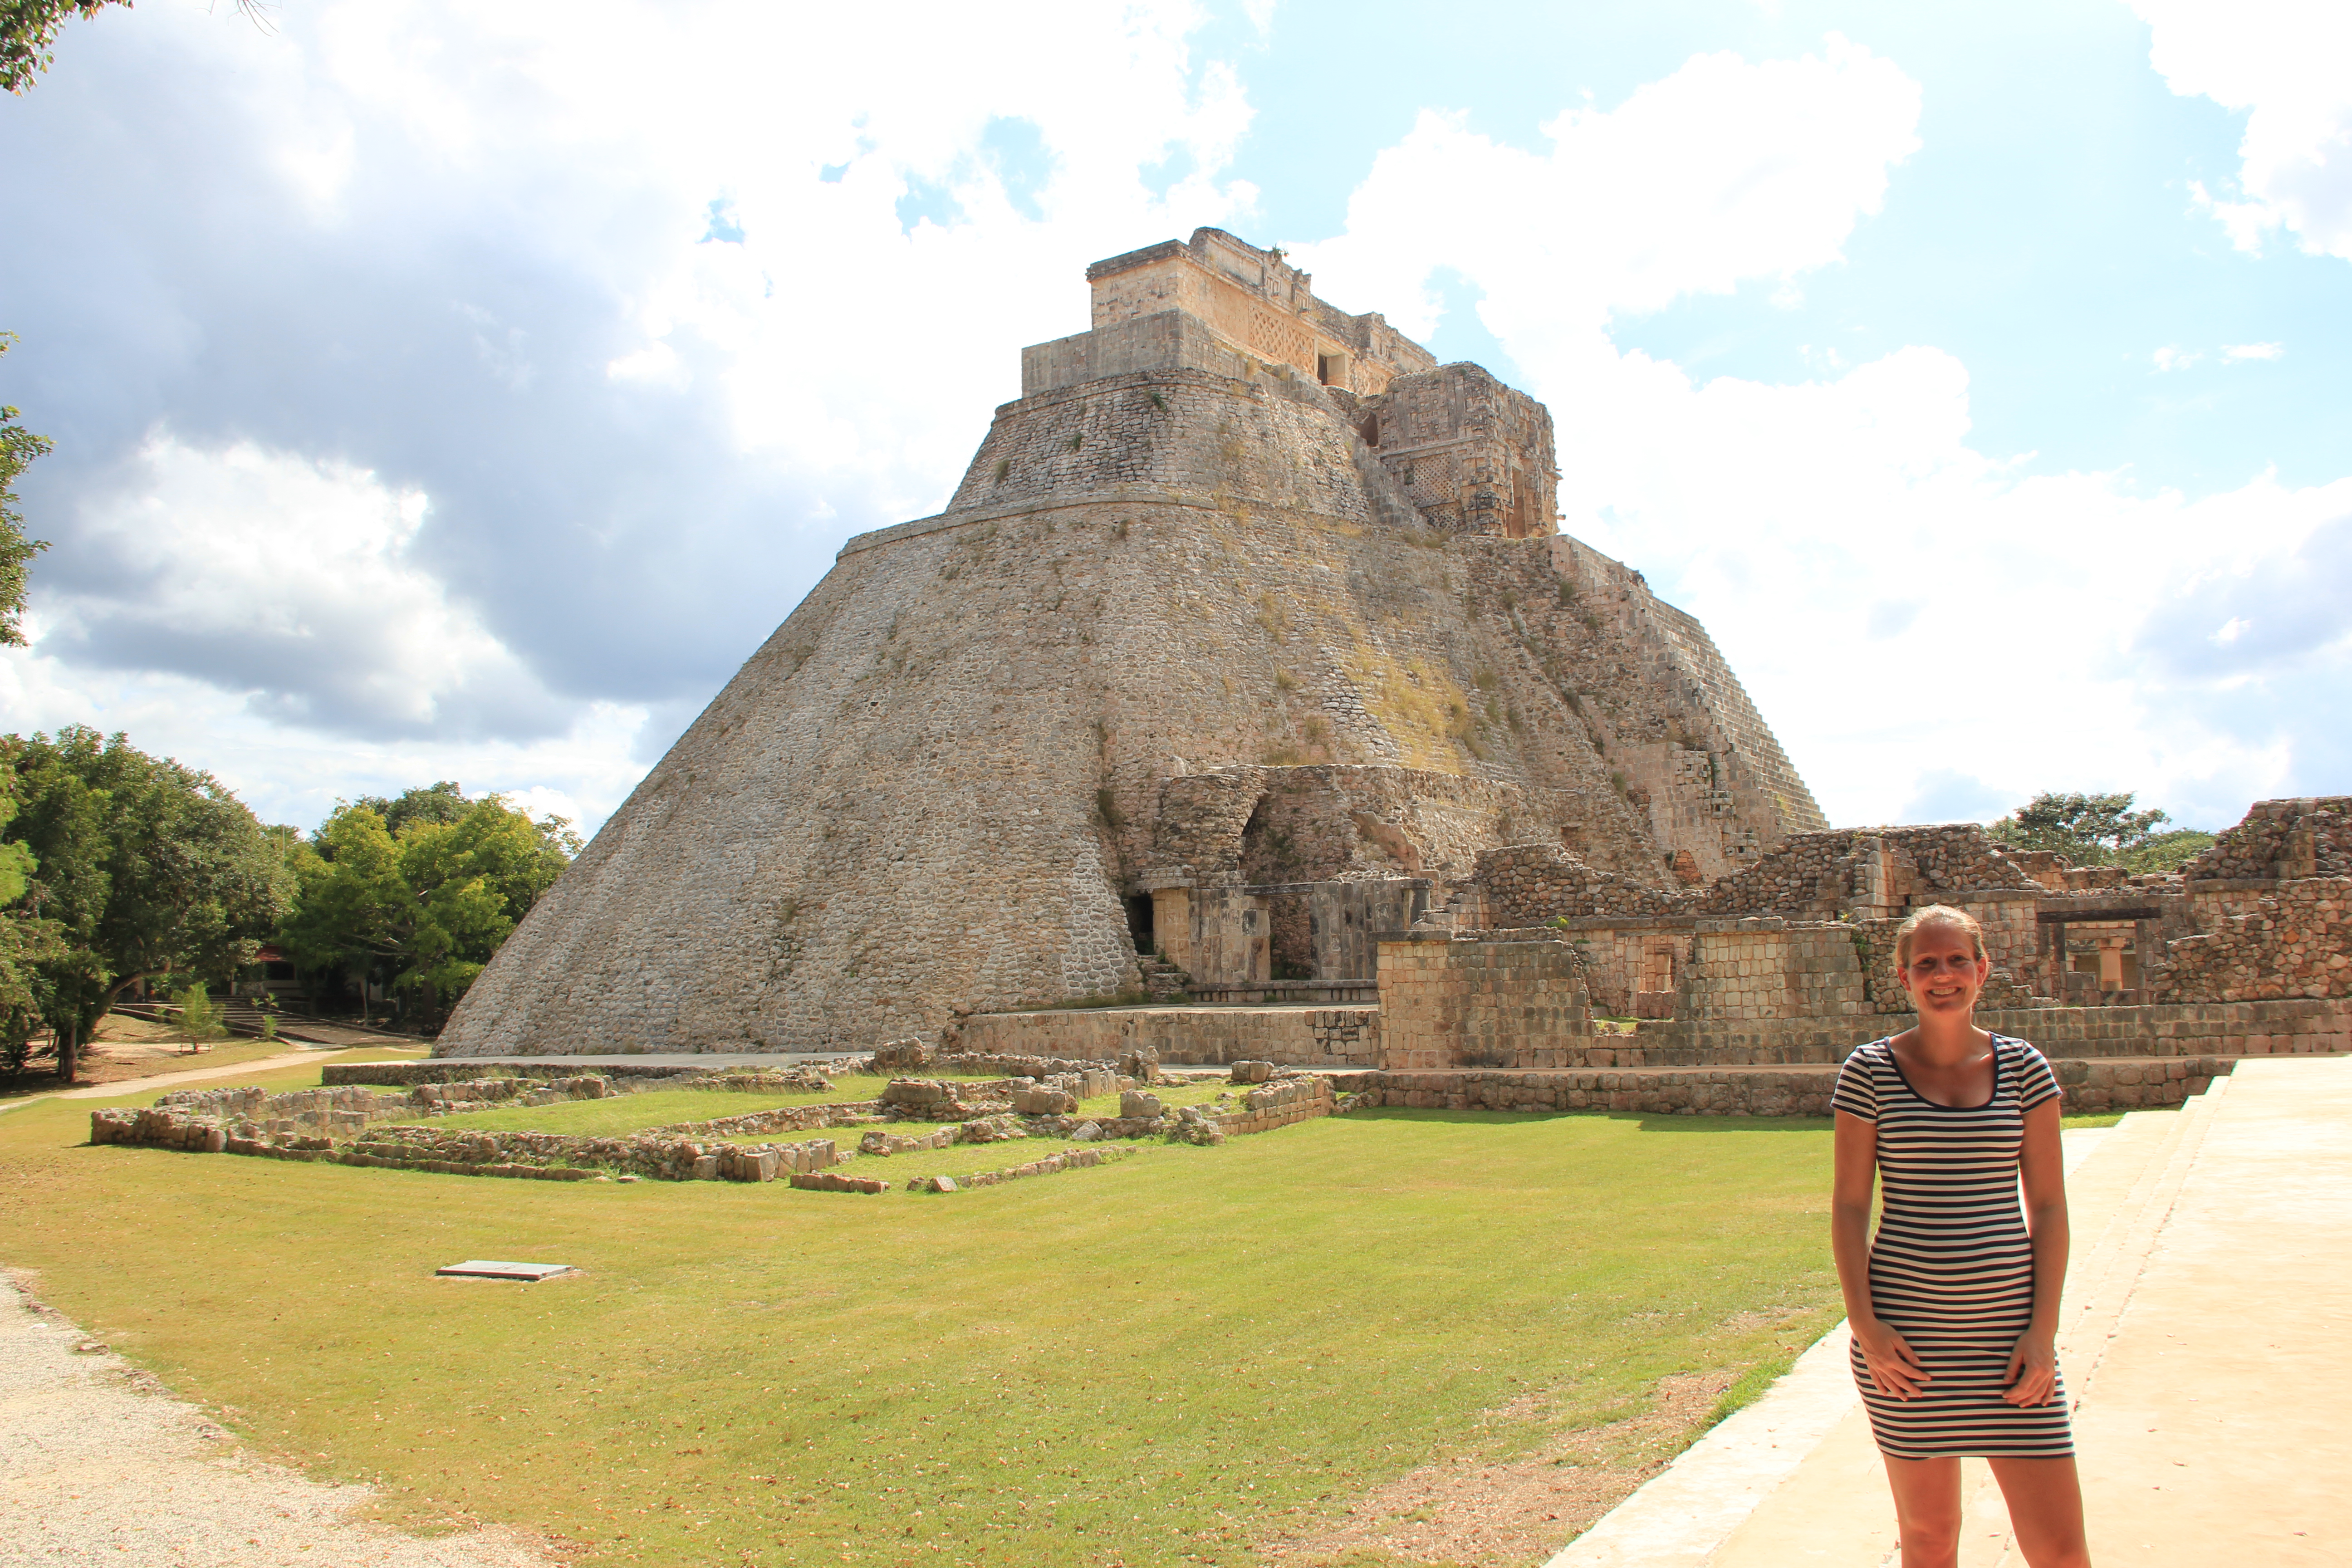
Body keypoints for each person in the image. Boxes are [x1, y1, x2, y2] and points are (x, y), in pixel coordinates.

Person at [1830, 904, 2092, 1568]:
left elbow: (2052, 1207)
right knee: (1929, 1538)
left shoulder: (2024, 1068)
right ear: (1904, 977)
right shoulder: (1870, 1072)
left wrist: (2043, 1334)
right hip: (1908, 1348)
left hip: (2010, 1344)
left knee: (2059, 1549)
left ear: (1982, 969)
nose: (1942, 976)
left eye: (1955, 961)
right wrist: (1865, 1327)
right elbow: (1852, 1206)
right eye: (1926, 964)